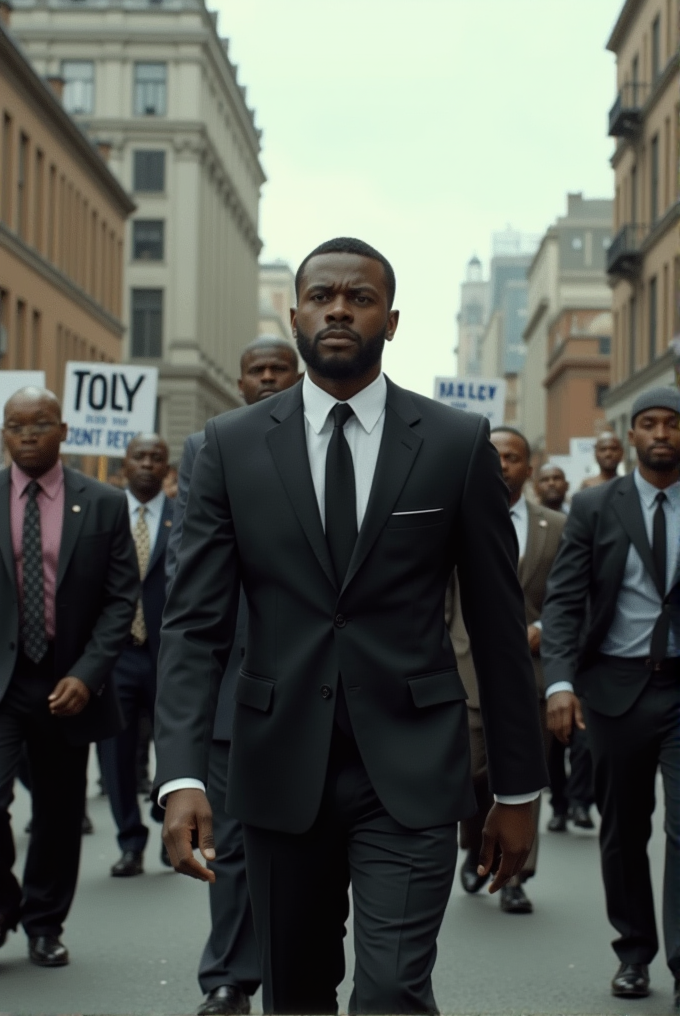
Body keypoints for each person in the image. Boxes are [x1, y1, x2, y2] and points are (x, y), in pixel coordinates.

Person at [154, 237, 547, 1016]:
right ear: (295, 313)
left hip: (411, 770)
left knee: (394, 990)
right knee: (296, 994)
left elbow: (500, 628)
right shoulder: (228, 449)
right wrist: (182, 775)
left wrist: (517, 788)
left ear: (391, 321)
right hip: (274, 769)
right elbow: (193, 625)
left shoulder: (454, 442)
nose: (339, 308)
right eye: (322, 295)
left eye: (359, 298)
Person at [166, 335, 301, 1016]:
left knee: (304, 839)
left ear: (298, 374)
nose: (271, 378)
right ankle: (228, 975)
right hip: (235, 680)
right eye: (259, 371)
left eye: (282, 368)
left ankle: (295, 975)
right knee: (233, 839)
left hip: (316, 680)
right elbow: (186, 569)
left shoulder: (331, 439)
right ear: (241, 383)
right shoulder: (210, 447)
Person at [542, 386, 680, 1006]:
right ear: (632, 436)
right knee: (624, 828)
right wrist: (562, 682)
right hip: (616, 688)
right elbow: (566, 601)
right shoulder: (597, 506)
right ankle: (634, 952)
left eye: (672, 425)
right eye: (648, 424)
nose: (660, 434)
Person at [0, 387, 138, 966]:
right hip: (3, 681)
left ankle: (43, 922)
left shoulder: (103, 503)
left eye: (40, 424)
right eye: (15, 425)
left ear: (63, 431)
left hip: (66, 680)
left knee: (58, 812)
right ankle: (4, 904)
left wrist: (88, 673)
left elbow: (118, 598)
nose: (27, 434)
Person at [448, 426, 565, 914]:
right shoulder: (453, 517)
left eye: (513, 457)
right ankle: (477, 844)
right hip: (465, 667)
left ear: (528, 468)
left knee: (521, 772)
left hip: (529, 670)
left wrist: (543, 627)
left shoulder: (554, 527)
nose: (502, 465)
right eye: (493, 456)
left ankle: (516, 875)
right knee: (471, 775)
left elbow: (569, 595)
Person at [99, 434, 173, 877]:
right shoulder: (102, 512)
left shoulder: (183, 516)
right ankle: (130, 841)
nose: (147, 464)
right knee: (117, 755)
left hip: (169, 655)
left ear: (167, 468)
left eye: (156, 458)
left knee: (173, 748)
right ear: (124, 464)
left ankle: (170, 828)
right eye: (139, 456)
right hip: (117, 655)